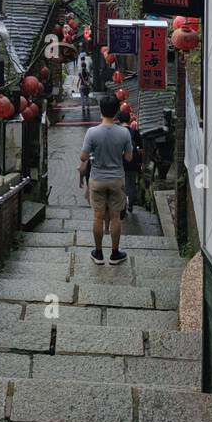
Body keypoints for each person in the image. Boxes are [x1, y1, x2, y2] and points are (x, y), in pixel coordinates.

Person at [80, 94, 132, 265]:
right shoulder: (124, 132)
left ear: (101, 111)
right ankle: (115, 254)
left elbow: (83, 156)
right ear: (117, 111)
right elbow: (129, 158)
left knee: (98, 217)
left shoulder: (92, 132)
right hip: (117, 179)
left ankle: (99, 253)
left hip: (97, 179)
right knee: (116, 217)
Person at [119, 109, 142, 212]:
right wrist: (141, 162)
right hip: (133, 161)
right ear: (129, 120)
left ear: (119, 120)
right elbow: (141, 149)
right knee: (131, 183)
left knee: (121, 183)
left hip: (120, 162)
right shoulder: (135, 132)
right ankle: (130, 203)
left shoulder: (117, 132)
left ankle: (123, 204)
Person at [77, 51, 92, 121]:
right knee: (87, 97)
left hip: (82, 86)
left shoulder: (80, 73)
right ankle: (88, 107)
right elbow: (89, 79)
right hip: (87, 86)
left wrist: (77, 84)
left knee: (82, 97)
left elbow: (79, 80)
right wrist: (88, 84)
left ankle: (83, 107)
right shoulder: (88, 72)